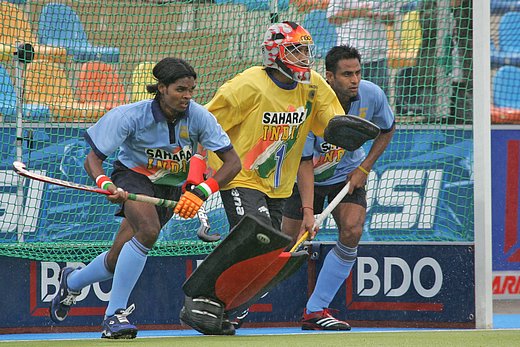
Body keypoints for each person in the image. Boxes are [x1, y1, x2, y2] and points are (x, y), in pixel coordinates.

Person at [48, 57, 241, 339]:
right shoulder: (130, 116)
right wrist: (106, 183)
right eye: (180, 90)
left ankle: (72, 281)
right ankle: (113, 317)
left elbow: (233, 163)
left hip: (170, 185)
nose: (187, 96)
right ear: (161, 88)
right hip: (132, 177)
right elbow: (93, 160)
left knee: (117, 258)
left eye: (191, 90)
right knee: (148, 232)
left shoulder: (199, 116)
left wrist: (202, 191)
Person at [204, 21, 346, 324]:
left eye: (306, 50)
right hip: (239, 175)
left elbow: (332, 124)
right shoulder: (246, 85)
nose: (304, 58)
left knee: (268, 254)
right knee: (259, 238)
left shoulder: (313, 85)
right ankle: (210, 298)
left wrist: (350, 132)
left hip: (279, 186)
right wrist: (199, 166)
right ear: (274, 53)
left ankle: (230, 304)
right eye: (295, 50)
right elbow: (205, 124)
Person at [281, 45, 395, 330]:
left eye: (357, 72)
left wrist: (364, 167)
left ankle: (316, 310)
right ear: (329, 77)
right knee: (285, 243)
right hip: (304, 177)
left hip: (346, 175)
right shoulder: (310, 103)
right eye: (346, 74)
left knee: (353, 229)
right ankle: (239, 306)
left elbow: (388, 128)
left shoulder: (372, 95)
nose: (354, 80)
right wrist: (309, 210)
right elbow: (304, 163)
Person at [326, 0, 397, 95]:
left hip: (378, 55)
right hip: (349, 57)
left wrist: (380, 15)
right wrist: (359, 12)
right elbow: (332, 17)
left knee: (379, 97)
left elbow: (391, 20)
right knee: (350, 98)